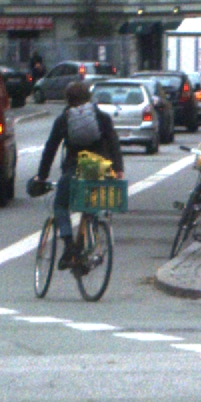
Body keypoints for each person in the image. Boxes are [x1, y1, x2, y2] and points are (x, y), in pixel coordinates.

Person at [32, 80, 124, 271]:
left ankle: (69, 246)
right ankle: (92, 232)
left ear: (68, 99)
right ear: (89, 97)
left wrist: (41, 176)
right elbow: (114, 143)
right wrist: (118, 169)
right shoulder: (101, 117)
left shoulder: (64, 119)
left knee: (60, 204)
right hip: (100, 167)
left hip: (76, 168)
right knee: (92, 202)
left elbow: (50, 149)